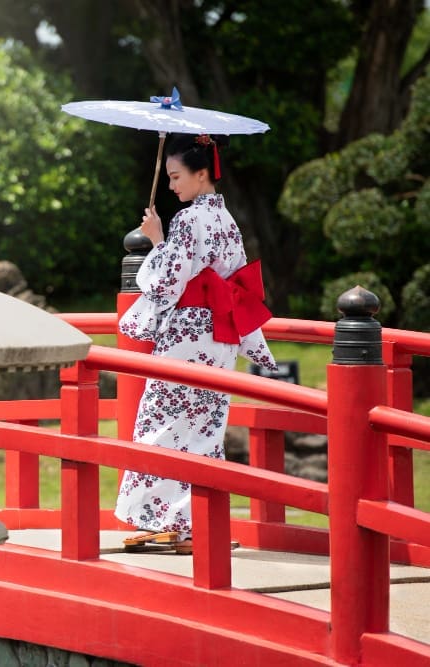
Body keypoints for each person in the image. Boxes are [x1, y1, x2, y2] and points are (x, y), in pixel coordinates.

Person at [115, 132, 278, 555]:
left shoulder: (187, 220)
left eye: (176, 176)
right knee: (204, 430)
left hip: (188, 335)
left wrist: (156, 237)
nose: (171, 186)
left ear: (201, 173)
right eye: (167, 177)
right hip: (220, 335)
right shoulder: (227, 220)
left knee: (160, 424)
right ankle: (197, 523)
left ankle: (167, 521)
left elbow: (167, 281)